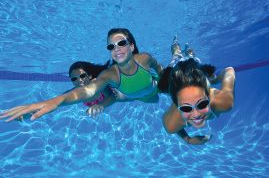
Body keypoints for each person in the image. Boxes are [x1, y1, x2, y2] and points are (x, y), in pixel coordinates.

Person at [0, 28, 163, 122]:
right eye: (74, 79)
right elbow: (66, 98)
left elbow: (157, 66)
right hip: (138, 96)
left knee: (165, 91)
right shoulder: (108, 76)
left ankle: (177, 55)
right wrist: (30, 112)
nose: (79, 81)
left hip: (153, 86)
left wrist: (164, 76)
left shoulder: (143, 59)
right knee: (153, 100)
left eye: (121, 43)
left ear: (132, 46)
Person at [160, 38, 236, 145]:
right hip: (175, 72)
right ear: (176, 105)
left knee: (193, 59)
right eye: (186, 108)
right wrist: (188, 139)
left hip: (197, 73)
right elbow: (229, 71)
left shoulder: (224, 102)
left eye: (202, 104)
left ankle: (189, 52)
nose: (196, 115)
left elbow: (229, 70)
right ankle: (176, 48)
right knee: (176, 58)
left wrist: (214, 80)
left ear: (209, 96)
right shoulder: (171, 124)